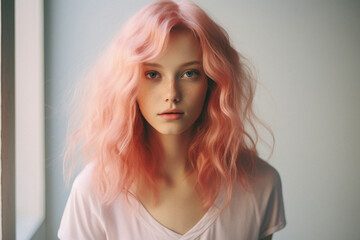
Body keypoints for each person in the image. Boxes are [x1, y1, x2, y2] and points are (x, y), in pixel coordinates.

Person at [58, 0, 286, 239]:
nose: (171, 95)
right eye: (153, 74)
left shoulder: (260, 184)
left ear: (212, 82)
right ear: (126, 85)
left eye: (189, 73)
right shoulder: (95, 192)